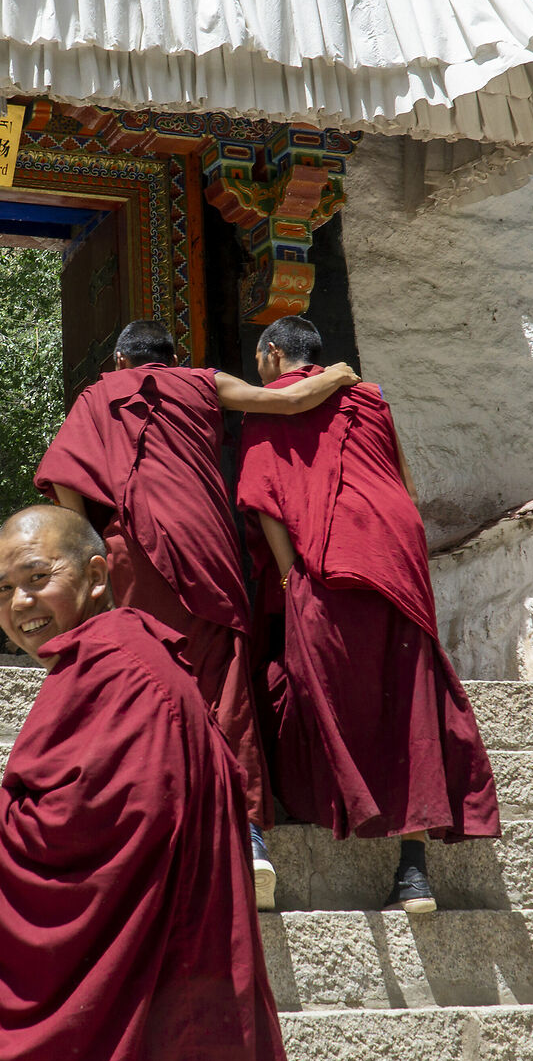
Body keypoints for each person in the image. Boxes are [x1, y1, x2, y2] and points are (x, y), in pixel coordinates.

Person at [0, 505, 295, 1061]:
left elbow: (76, 837)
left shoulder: (120, 675)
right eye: (1, 591)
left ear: (97, 575)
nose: (19, 604)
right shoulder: (133, 666)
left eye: (36, 578)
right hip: (176, 1054)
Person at [34, 317, 359, 908]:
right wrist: (336, 373)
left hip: (134, 550)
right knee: (224, 686)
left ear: (120, 360)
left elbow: (65, 482)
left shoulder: (99, 394)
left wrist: (85, 565)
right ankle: (251, 838)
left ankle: (146, 836)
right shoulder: (205, 383)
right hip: (209, 547)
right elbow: (284, 402)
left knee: (138, 684)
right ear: (171, 357)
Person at [235, 315, 500, 913]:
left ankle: (338, 810)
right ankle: (413, 873)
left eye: (259, 361)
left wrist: (287, 574)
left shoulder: (272, 405)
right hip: (396, 548)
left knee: (327, 687)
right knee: (410, 701)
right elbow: (402, 483)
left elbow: (264, 501)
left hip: (333, 554)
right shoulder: (370, 398)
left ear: (274, 355)